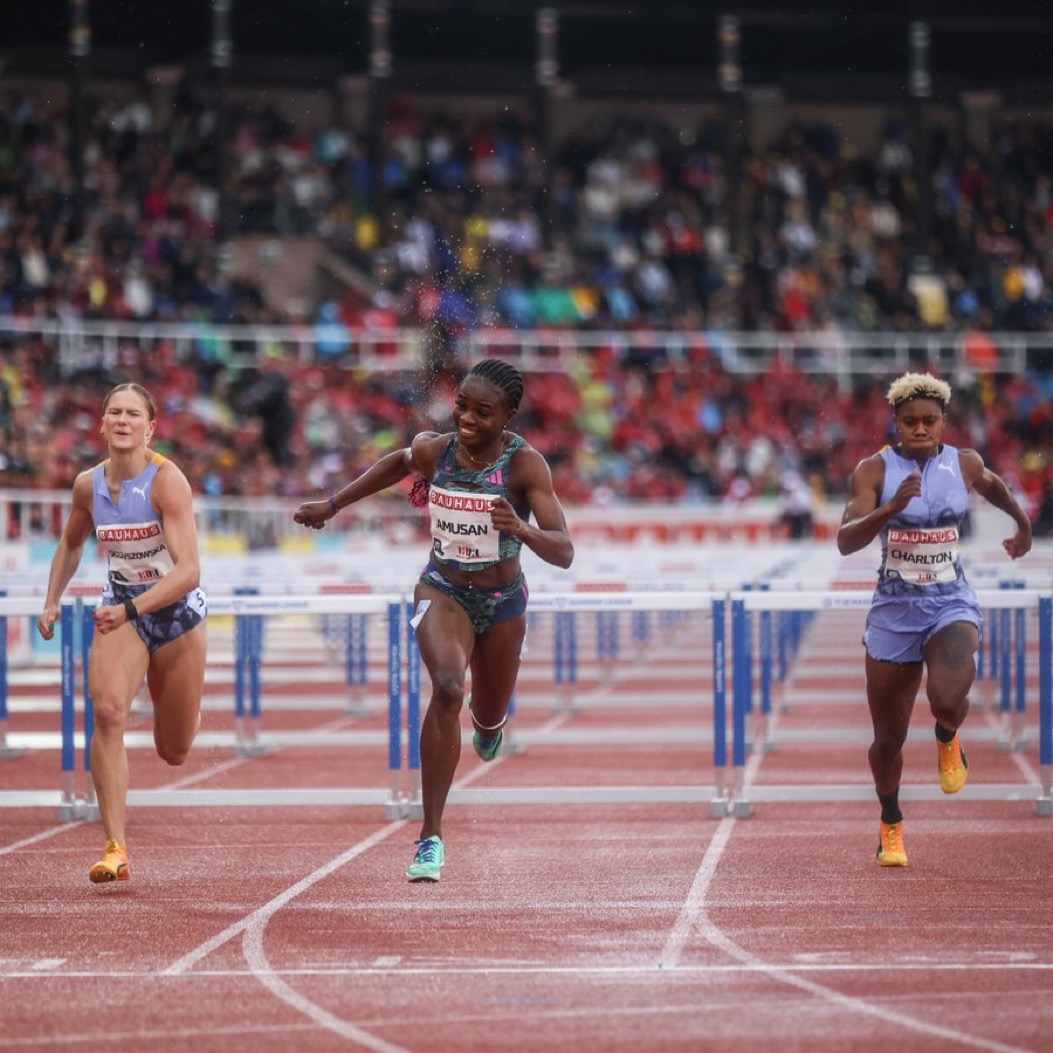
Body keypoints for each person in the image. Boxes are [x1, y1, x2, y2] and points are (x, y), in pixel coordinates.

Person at [294, 359, 574, 882]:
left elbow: (565, 552)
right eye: (462, 406)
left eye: (482, 412)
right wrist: (333, 505)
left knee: (487, 727)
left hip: (503, 602)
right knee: (446, 687)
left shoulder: (525, 466)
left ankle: (489, 719)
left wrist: (523, 529)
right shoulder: (437, 449)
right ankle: (430, 836)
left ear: (509, 416)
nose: (466, 418)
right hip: (442, 589)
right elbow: (395, 464)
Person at [837, 372, 1032, 867]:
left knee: (947, 699)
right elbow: (846, 539)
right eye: (909, 422)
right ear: (895, 424)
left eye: (929, 421)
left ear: (944, 422)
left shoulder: (963, 463)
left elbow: (995, 486)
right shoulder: (873, 472)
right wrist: (892, 508)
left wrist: (1023, 523)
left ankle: (948, 733)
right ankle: (891, 823)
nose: (920, 429)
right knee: (888, 739)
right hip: (894, 612)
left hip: (950, 602)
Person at [39, 383, 208, 884]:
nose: (122, 420)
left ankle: (186, 710)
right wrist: (52, 599)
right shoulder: (88, 485)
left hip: (175, 614)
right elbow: (71, 545)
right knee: (109, 713)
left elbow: (189, 571)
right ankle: (115, 846)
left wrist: (134, 609)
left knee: (173, 750)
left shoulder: (166, 481)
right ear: (102, 422)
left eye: (133, 414)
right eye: (114, 411)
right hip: (120, 608)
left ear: (150, 427)